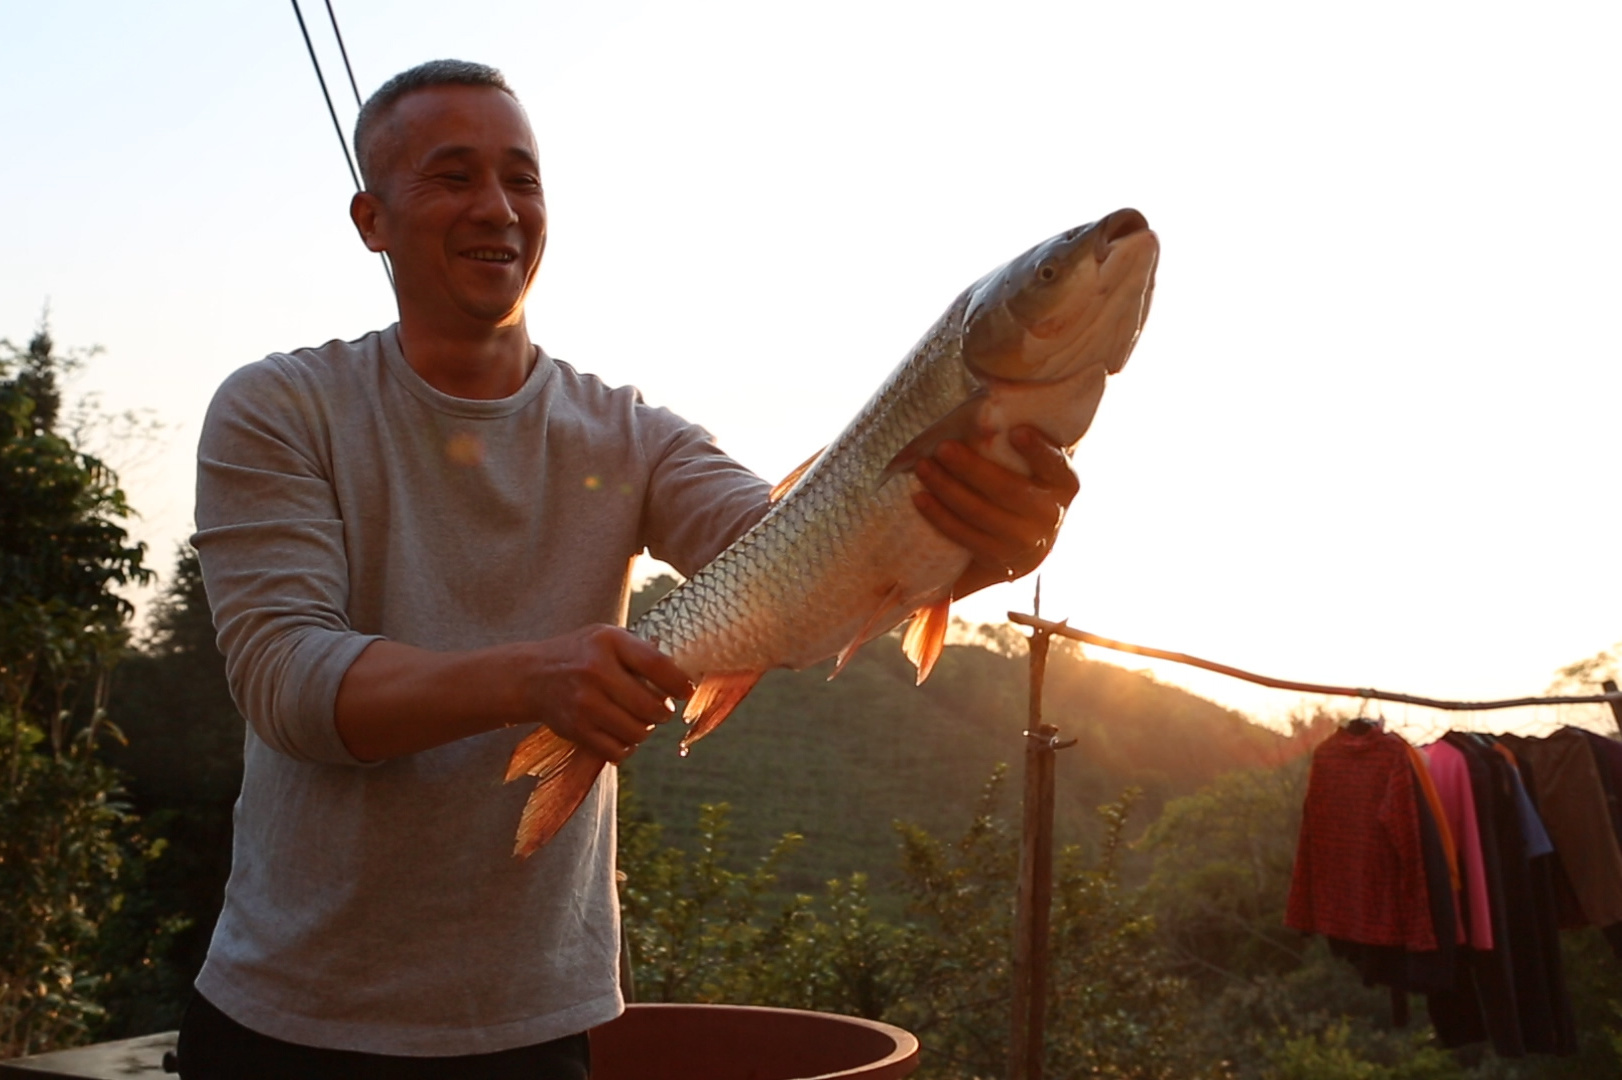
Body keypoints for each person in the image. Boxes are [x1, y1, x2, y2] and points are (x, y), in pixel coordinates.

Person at [176, 59, 1077, 1079]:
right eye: (453, 176)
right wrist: (531, 679)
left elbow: (790, 557)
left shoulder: (633, 434)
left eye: (522, 179)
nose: (498, 208)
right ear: (370, 220)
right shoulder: (279, 408)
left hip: (531, 1027)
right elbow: (289, 682)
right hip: (288, 1020)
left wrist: (969, 545)